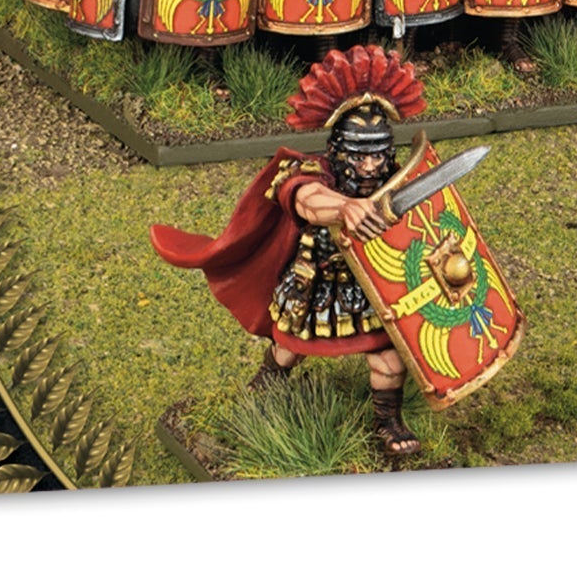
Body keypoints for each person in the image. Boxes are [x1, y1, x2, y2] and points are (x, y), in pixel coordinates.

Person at [150, 45, 430, 460]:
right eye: (360, 156)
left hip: (374, 286)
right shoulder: (311, 172)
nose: (371, 167)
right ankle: (267, 384)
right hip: (316, 282)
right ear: (339, 151)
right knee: (289, 348)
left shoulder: (396, 179)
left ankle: (387, 421)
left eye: (378, 155)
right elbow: (307, 200)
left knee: (388, 357)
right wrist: (345, 207)